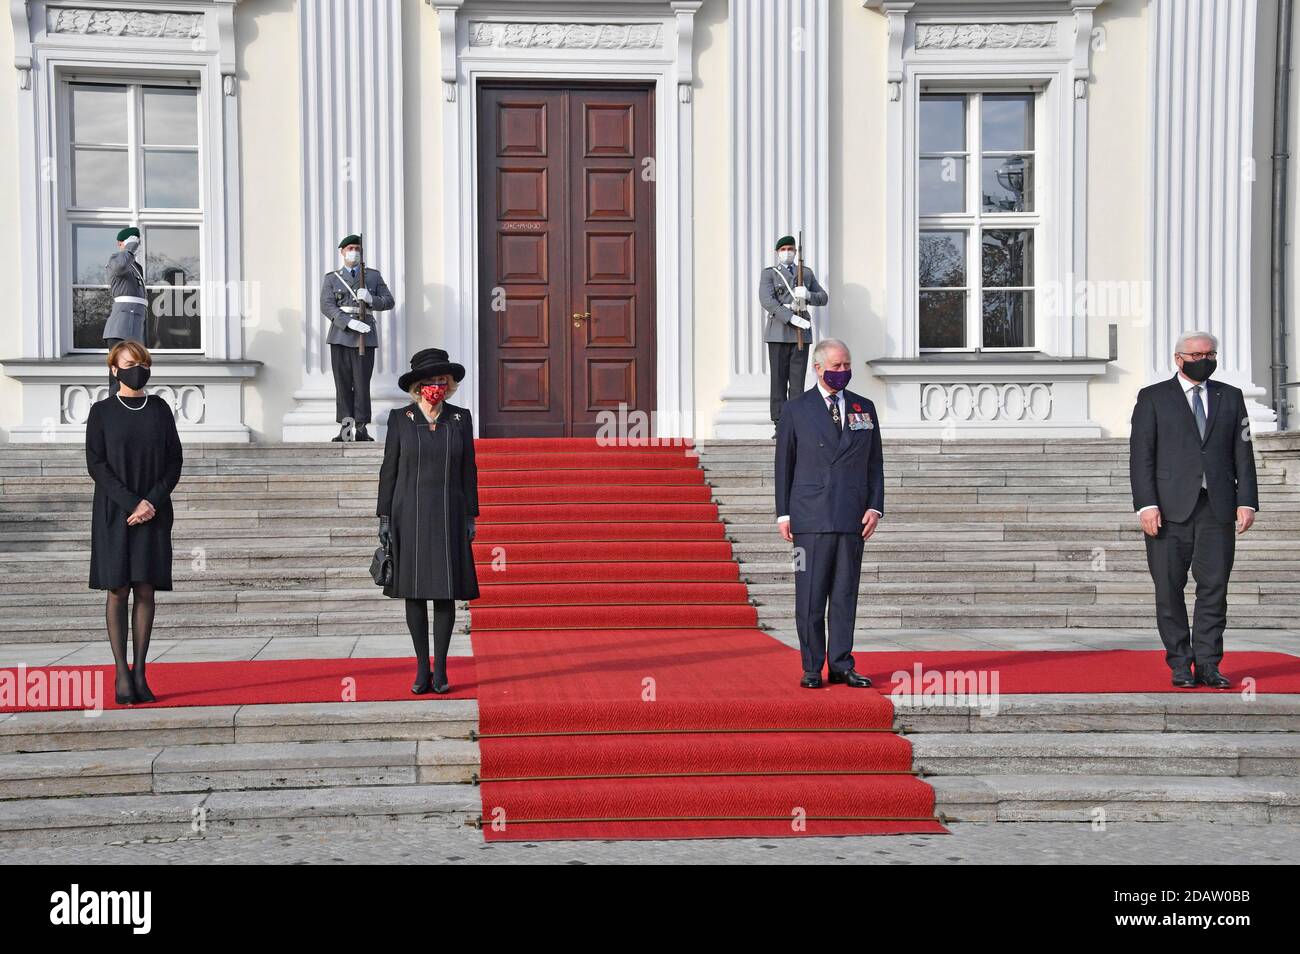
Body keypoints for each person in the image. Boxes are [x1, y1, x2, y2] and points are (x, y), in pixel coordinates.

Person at [1130, 330, 1259, 689]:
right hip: (1168, 512)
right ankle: (1179, 664)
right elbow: (1141, 456)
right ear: (1179, 358)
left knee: (1214, 587)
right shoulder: (1153, 397)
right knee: (1169, 589)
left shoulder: (1230, 397)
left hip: (1217, 508)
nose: (1205, 360)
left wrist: (1246, 500)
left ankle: (1208, 664)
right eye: (1198, 355)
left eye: (1210, 354)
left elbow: (1243, 452)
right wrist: (1146, 504)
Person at [775, 338, 882, 689]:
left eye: (846, 365)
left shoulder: (863, 408)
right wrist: (783, 514)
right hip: (809, 518)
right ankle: (811, 667)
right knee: (810, 595)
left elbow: (874, 463)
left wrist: (874, 506)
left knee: (844, 593)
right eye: (836, 366)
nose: (843, 372)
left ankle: (841, 664)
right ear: (818, 368)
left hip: (851, 516)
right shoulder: (796, 409)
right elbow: (784, 465)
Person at [377, 348, 480, 694]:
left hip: (450, 513)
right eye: (430, 382)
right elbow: (389, 470)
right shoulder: (399, 418)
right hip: (409, 514)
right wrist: (385, 518)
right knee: (416, 595)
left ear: (449, 385)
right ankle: (422, 669)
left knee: (446, 594)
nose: (436, 387)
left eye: (442, 381)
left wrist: (470, 515)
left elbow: (469, 470)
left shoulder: (460, 419)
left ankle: (443, 671)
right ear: (418, 386)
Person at [85, 341, 183, 705]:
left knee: (145, 588)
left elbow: (175, 461)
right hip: (115, 512)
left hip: (154, 513)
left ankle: (141, 672)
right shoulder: (101, 412)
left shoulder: (159, 410)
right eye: (129, 364)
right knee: (118, 589)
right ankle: (121, 674)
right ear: (114, 369)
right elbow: (96, 465)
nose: (137, 369)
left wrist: (151, 502)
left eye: (142, 363)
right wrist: (133, 502)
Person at [320, 234, 395, 441]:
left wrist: (371, 300)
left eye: (357, 248)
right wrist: (348, 322)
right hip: (341, 335)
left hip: (366, 337)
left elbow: (389, 301)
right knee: (342, 382)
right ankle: (346, 429)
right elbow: (327, 306)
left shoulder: (372, 276)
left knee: (362, 382)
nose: (353, 252)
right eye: (350, 248)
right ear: (342, 252)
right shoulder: (332, 278)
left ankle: (361, 428)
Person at [760, 234, 829, 437]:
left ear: (795, 252)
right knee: (779, 380)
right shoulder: (770, 274)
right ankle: (780, 423)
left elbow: (823, 297)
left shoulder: (805, 273)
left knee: (797, 382)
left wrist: (808, 295)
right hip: (779, 331)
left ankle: (797, 422)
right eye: (783, 250)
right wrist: (790, 318)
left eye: (790, 249)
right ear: (777, 253)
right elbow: (767, 301)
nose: (787, 252)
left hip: (802, 333)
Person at [104, 226, 148, 397]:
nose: (135, 245)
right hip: (121, 326)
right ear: (120, 243)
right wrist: (128, 249)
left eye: (136, 242)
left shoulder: (136, 266)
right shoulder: (116, 259)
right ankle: (114, 408)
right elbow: (120, 268)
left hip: (136, 325)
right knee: (119, 373)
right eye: (132, 241)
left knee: (137, 371)